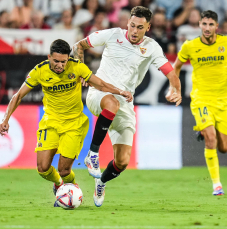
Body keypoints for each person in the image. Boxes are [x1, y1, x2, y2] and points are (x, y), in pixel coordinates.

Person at [0, 39, 133, 206]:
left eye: (63, 61)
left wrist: (120, 91)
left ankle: (72, 187)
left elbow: (101, 84)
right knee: (42, 168)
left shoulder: (77, 67)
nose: (60, 65)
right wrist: (5, 119)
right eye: (56, 61)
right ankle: (59, 184)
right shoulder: (39, 71)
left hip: (74, 124)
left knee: (63, 169)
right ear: (49, 57)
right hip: (50, 122)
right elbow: (18, 95)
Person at [73, 6, 182, 207]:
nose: (134, 31)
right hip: (99, 94)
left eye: (139, 27)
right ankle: (92, 154)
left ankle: (101, 181)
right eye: (132, 25)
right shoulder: (113, 34)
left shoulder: (152, 47)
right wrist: (82, 70)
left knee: (122, 162)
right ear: (127, 23)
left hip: (125, 104)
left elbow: (171, 73)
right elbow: (79, 45)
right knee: (111, 102)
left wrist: (177, 89)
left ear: (148, 27)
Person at [173, 10, 227, 196]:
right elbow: (176, 66)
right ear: (199, 25)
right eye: (204, 24)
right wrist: (174, 89)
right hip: (201, 99)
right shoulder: (190, 46)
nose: (207, 28)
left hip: (223, 100)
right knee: (211, 138)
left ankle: (204, 130)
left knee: (223, 147)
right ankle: (217, 185)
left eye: (210, 24)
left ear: (217, 26)